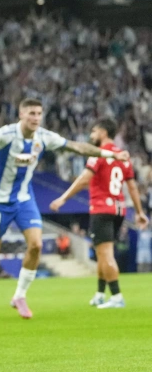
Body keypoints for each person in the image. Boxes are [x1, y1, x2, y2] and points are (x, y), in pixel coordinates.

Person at [0, 98, 129, 321]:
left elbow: (77, 147)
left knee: (36, 245)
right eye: (31, 113)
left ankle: (19, 296)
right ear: (21, 114)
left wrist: (111, 154)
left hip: (24, 200)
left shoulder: (44, 136)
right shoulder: (6, 134)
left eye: (39, 114)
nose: (36, 118)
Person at [50, 118, 148, 309]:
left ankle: (117, 296)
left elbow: (84, 179)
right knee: (102, 253)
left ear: (103, 133)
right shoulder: (123, 156)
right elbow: (132, 187)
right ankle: (100, 294)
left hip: (101, 208)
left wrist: (63, 198)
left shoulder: (98, 154)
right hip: (119, 209)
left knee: (105, 253)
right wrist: (139, 212)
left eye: (94, 131)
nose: (91, 135)